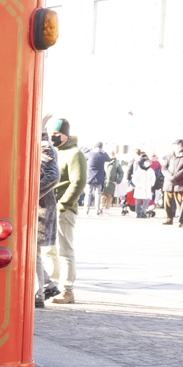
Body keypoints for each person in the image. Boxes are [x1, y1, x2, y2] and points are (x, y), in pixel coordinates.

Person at [45, 118, 84, 304]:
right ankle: (51, 286)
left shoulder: (75, 153)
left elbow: (78, 182)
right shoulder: (53, 151)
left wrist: (64, 204)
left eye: (56, 134)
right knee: (49, 249)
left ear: (65, 135)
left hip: (62, 209)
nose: (53, 137)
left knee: (65, 250)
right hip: (48, 207)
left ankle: (67, 289)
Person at [35, 132, 60, 308]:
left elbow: (53, 176)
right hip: (41, 206)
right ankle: (46, 286)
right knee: (32, 251)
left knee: (32, 252)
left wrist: (32, 194)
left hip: (40, 206)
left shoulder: (44, 145)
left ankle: (39, 294)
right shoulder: (43, 144)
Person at [161, 139, 183, 225]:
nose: (174, 146)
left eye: (176, 144)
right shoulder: (170, 155)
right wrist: (169, 176)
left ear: (181, 145)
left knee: (180, 203)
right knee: (167, 203)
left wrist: (175, 177)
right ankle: (169, 219)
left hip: (179, 182)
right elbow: (164, 168)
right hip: (168, 182)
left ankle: (182, 220)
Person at [83, 141, 111, 215]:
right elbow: (109, 159)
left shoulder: (90, 154)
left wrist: (89, 149)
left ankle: (86, 210)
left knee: (88, 194)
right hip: (99, 176)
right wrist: (103, 151)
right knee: (98, 194)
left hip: (90, 176)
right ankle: (96, 211)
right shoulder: (103, 155)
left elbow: (83, 155)